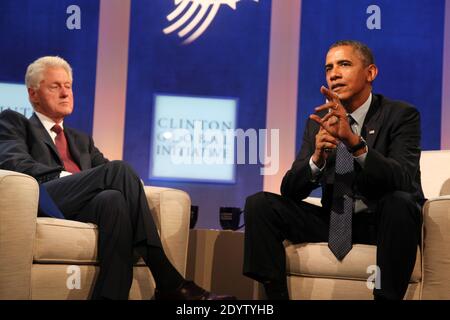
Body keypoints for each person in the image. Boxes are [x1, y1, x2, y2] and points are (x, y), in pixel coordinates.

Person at [0, 56, 235, 301]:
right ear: (33, 94)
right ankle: (168, 280)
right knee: (119, 171)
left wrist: (127, 186)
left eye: (68, 86)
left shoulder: (81, 140)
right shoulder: (14, 122)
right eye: (54, 86)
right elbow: (15, 163)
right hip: (44, 197)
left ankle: (111, 297)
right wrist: (74, 179)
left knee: (114, 200)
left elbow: (107, 174)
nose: (64, 93)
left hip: (83, 206)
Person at [243, 40, 424, 300]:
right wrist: (316, 159)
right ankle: (276, 297)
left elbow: (403, 180)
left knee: (400, 201)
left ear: (370, 73)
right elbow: (289, 191)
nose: (334, 74)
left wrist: (354, 143)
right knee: (260, 204)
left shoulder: (401, 115)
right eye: (329, 68)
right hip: (335, 222)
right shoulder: (319, 122)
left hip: (382, 222)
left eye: (344, 64)